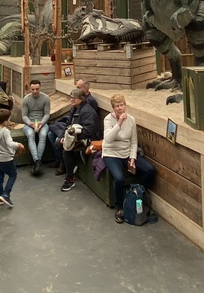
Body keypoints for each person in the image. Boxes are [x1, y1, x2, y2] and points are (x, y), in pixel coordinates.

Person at [102, 94, 156, 223]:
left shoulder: (131, 120)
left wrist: (132, 157)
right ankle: (119, 207)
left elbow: (133, 141)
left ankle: (136, 195)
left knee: (150, 170)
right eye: (117, 106)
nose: (120, 108)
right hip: (111, 153)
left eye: (122, 105)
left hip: (127, 153)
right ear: (113, 108)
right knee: (119, 178)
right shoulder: (108, 120)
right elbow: (108, 139)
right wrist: (119, 123)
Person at [51, 89, 100, 193]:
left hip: (87, 139)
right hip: (75, 135)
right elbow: (68, 124)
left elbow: (88, 131)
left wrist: (71, 140)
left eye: (74, 98)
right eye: (71, 98)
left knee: (66, 150)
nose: (71, 100)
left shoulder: (87, 112)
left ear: (81, 99)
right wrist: (64, 136)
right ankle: (67, 166)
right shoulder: (74, 108)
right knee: (58, 141)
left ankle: (70, 179)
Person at [0, 106, 25, 208]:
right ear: (5, 121)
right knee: (13, 175)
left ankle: (0, 197)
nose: (10, 121)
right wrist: (18, 145)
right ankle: (6, 194)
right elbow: (10, 143)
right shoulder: (5, 131)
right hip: (7, 159)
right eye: (9, 119)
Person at [20, 79, 50, 176]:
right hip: (30, 123)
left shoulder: (46, 98)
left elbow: (46, 114)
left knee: (43, 135)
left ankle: (38, 161)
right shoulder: (26, 99)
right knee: (30, 135)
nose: (35, 91)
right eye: (33, 89)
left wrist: (42, 123)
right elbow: (24, 116)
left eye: (37, 89)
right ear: (30, 89)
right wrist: (30, 123)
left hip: (42, 122)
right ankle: (37, 160)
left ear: (40, 87)